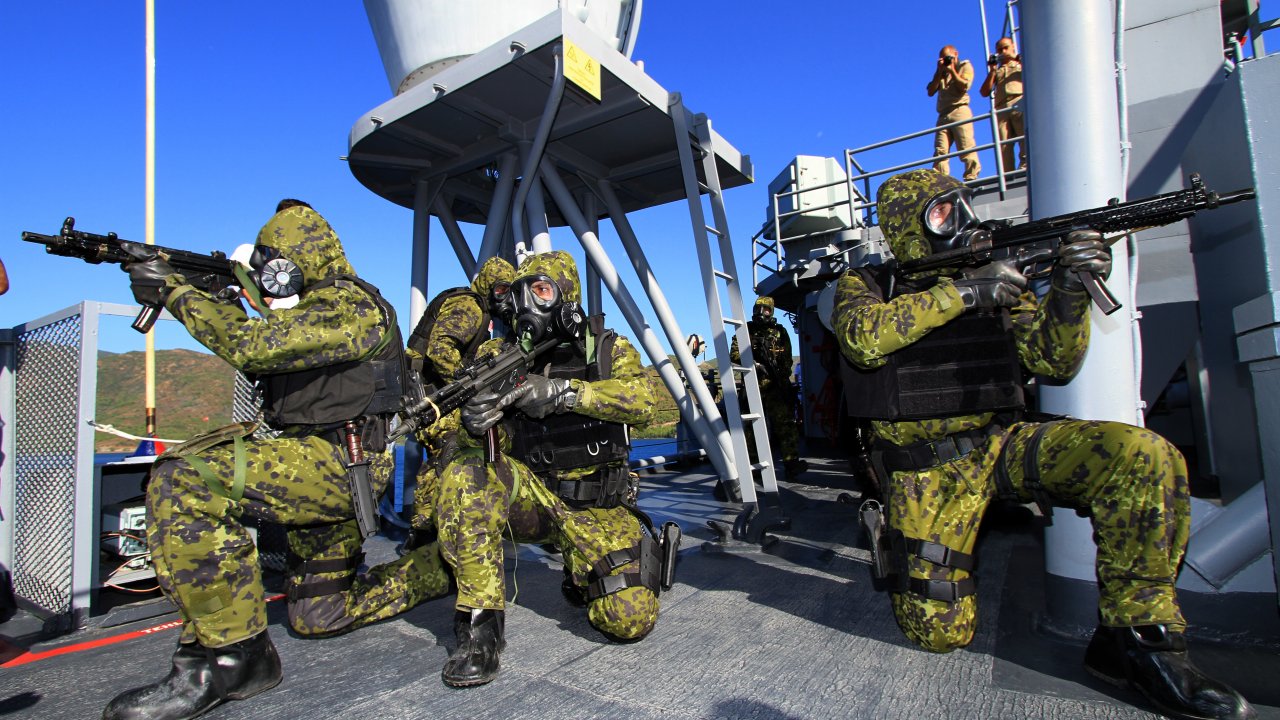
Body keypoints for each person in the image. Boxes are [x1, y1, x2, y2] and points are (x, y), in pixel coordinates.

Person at [830, 170, 1253, 720]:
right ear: (909, 227)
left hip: (1001, 444)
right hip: (927, 473)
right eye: (943, 212)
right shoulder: (867, 284)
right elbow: (864, 338)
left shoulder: (999, 281)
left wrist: (1071, 290)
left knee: (1141, 455)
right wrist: (962, 292)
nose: (963, 221)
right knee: (939, 634)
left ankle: (1138, 638)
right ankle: (900, 543)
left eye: (962, 205)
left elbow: (1053, 360)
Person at [104, 200, 452, 720]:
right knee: (319, 615)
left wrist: (177, 293)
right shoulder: (314, 311)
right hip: (318, 464)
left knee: (188, 478)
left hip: (339, 466)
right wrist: (221, 292)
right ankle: (439, 569)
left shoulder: (351, 305)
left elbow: (251, 347)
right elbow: (272, 340)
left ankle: (229, 657)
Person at [432, 250, 667, 688]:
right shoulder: (499, 357)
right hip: (533, 499)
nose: (529, 306)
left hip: (598, 507)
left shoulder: (608, 348)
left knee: (629, 618)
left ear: (567, 297)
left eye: (541, 291)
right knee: (467, 474)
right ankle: (481, 630)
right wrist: (474, 425)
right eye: (520, 295)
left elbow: (647, 402)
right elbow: (483, 445)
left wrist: (564, 393)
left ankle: (586, 570)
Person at [403, 256, 516, 548]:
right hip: (431, 395)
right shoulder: (470, 306)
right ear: (488, 286)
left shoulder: (474, 306)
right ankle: (425, 532)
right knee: (447, 452)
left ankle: (432, 529)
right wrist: (467, 384)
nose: (503, 298)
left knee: (449, 452)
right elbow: (440, 350)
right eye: (500, 290)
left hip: (431, 393)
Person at [730, 297, 806, 477]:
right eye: (758, 309)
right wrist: (753, 363)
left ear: (771, 311)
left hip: (776, 386)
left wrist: (780, 372)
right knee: (752, 428)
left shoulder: (780, 332)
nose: (761, 313)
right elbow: (734, 354)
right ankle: (754, 467)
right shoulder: (745, 330)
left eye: (765, 310)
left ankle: (791, 463)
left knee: (785, 424)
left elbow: (787, 358)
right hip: (753, 385)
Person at [927, 45, 981, 182]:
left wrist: (952, 71)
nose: (944, 61)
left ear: (955, 54)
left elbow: (964, 86)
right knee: (940, 151)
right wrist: (939, 72)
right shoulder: (941, 73)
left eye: (947, 57)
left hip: (959, 110)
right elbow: (930, 91)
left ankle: (971, 176)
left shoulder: (964, 66)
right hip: (943, 114)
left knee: (965, 146)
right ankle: (941, 181)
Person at [980, 37, 1026, 173]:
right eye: (1000, 50)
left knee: (1023, 135)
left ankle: (1025, 166)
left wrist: (1016, 58)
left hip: (1018, 101)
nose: (1003, 52)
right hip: (1001, 107)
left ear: (1013, 46)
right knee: (1003, 144)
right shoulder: (997, 71)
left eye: (1006, 48)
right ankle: (1007, 173)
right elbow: (984, 92)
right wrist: (993, 70)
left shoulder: (1020, 63)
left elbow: (1031, 72)